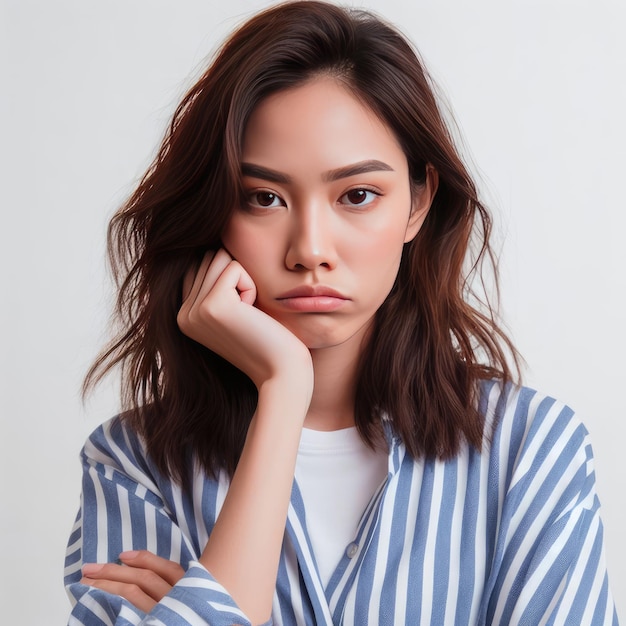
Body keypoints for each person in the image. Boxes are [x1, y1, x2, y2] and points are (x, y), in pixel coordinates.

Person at [64, 1, 618, 624]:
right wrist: (284, 388)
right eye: (264, 198)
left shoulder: (529, 449)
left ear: (416, 205)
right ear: (215, 209)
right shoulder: (133, 464)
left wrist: (197, 605)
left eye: (357, 195)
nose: (311, 250)